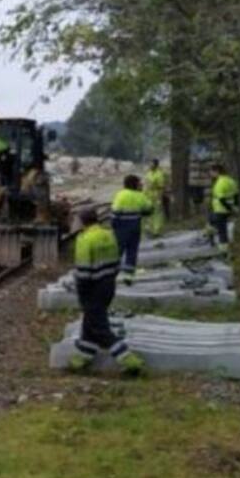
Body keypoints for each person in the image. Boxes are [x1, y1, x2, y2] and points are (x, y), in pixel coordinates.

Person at [73, 207, 144, 375]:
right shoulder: (108, 234)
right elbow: (116, 262)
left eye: (76, 220)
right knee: (90, 322)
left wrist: (81, 293)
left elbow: (83, 272)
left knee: (100, 328)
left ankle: (128, 359)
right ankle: (82, 357)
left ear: (83, 222)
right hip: (108, 284)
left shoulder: (84, 239)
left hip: (91, 288)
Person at [111, 174, 154, 284]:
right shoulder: (140, 196)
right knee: (132, 251)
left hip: (121, 228)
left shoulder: (120, 195)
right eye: (139, 183)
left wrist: (114, 226)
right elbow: (149, 209)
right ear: (135, 184)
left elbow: (115, 213)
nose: (141, 185)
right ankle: (129, 276)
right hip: (135, 228)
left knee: (117, 252)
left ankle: (111, 275)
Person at [207, 163, 240, 255]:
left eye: (211, 172)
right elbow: (236, 195)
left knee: (222, 230)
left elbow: (221, 199)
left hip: (220, 210)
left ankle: (223, 251)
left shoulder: (219, 183)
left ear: (217, 171)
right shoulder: (231, 181)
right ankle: (211, 236)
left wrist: (228, 208)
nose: (210, 174)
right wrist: (234, 207)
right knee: (211, 222)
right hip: (229, 209)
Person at [144, 158, 168, 237]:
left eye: (152, 163)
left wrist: (159, 198)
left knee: (157, 214)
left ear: (156, 165)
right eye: (150, 163)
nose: (150, 165)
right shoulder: (148, 173)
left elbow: (161, 187)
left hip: (156, 195)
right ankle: (150, 230)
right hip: (148, 196)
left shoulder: (159, 174)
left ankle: (157, 231)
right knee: (149, 214)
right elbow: (146, 184)